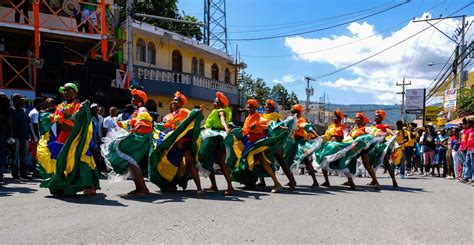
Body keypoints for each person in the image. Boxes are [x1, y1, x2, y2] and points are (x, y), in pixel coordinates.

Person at [38, 83, 100, 195]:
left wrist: (71, 115)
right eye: (64, 91)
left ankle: (89, 185)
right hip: (62, 137)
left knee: (79, 160)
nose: (66, 93)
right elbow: (55, 118)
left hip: (75, 139)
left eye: (69, 91)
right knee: (60, 161)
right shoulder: (61, 106)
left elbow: (79, 120)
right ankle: (62, 185)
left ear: (75, 93)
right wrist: (49, 117)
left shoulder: (79, 106)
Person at [149, 91, 203, 195]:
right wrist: (157, 126)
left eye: (176, 100)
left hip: (185, 141)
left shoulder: (185, 111)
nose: (173, 102)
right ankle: (171, 185)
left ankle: (199, 188)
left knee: (190, 163)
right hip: (175, 142)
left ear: (182, 103)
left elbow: (193, 117)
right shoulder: (170, 115)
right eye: (173, 100)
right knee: (172, 163)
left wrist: (197, 112)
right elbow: (167, 126)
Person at [102, 88, 152, 196]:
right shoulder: (138, 110)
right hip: (138, 137)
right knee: (130, 162)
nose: (132, 99)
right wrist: (123, 124)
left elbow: (145, 123)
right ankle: (140, 188)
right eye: (132, 96)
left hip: (140, 138)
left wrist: (136, 127)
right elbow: (133, 123)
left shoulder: (142, 109)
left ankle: (143, 188)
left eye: (135, 97)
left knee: (130, 160)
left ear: (141, 99)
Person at [235, 99, 282, 193]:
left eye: (251, 107)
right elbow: (246, 130)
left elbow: (268, 124)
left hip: (258, 142)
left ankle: (277, 183)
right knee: (251, 162)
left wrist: (280, 126)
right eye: (248, 107)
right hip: (250, 142)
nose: (248, 109)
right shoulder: (249, 116)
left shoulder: (258, 116)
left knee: (263, 161)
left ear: (255, 108)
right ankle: (251, 183)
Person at [198, 92, 234, 196]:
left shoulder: (221, 111)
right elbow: (207, 126)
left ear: (220, 103)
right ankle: (214, 185)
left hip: (217, 139)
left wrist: (226, 127)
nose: (214, 102)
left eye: (216, 101)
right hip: (211, 137)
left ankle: (230, 188)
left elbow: (222, 120)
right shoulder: (215, 112)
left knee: (222, 163)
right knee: (209, 161)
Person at [261, 99, 296, 191]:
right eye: (266, 106)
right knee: (260, 158)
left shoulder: (277, 116)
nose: (267, 107)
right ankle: (262, 181)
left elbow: (281, 125)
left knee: (281, 161)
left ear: (274, 108)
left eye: (269, 106)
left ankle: (292, 181)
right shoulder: (262, 116)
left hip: (275, 142)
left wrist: (282, 127)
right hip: (265, 140)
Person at [284, 104, 319, 190]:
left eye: (293, 111)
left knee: (306, 162)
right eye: (291, 111)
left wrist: (316, 135)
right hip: (294, 143)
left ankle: (315, 182)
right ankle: (292, 181)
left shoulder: (300, 120)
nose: (291, 113)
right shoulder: (292, 119)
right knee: (287, 162)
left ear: (296, 112)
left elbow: (307, 127)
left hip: (301, 143)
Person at [319, 109, 356, 190]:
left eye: (336, 117)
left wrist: (349, 144)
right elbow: (327, 137)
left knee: (341, 165)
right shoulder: (330, 127)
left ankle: (351, 182)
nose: (334, 118)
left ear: (340, 118)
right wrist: (322, 139)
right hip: (329, 147)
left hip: (338, 148)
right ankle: (326, 181)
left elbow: (347, 137)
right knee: (322, 161)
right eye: (334, 117)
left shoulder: (343, 127)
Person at [369, 110, 398, 188]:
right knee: (371, 163)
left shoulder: (383, 125)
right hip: (373, 146)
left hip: (381, 146)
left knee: (386, 163)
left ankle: (394, 181)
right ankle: (373, 180)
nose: (375, 117)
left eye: (377, 116)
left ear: (381, 118)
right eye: (375, 116)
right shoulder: (373, 126)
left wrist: (393, 134)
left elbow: (389, 131)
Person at [10, 94, 31, 180]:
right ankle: (15, 174)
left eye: (23, 100)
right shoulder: (10, 111)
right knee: (15, 156)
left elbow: (28, 124)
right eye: (20, 100)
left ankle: (23, 173)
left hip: (25, 136)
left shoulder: (25, 111)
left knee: (24, 156)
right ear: (15, 101)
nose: (22, 102)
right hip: (14, 136)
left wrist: (29, 135)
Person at [29, 97, 46, 177]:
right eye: (42, 103)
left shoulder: (35, 112)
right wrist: (39, 138)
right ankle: (35, 172)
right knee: (36, 155)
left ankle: (36, 171)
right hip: (36, 138)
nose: (44, 105)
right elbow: (35, 127)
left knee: (36, 155)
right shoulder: (35, 113)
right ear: (37, 104)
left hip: (35, 138)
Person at [0, 93, 13, 186]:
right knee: (1, 154)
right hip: (2, 132)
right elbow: (8, 120)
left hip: (2, 132)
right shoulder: (5, 106)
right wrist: (10, 134)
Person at [459, 116, 473, 183]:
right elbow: (465, 141)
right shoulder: (469, 131)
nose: (468, 124)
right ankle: (466, 177)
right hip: (468, 149)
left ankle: (472, 178)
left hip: (472, 149)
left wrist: (466, 147)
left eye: (469, 123)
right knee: (467, 163)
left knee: (472, 164)